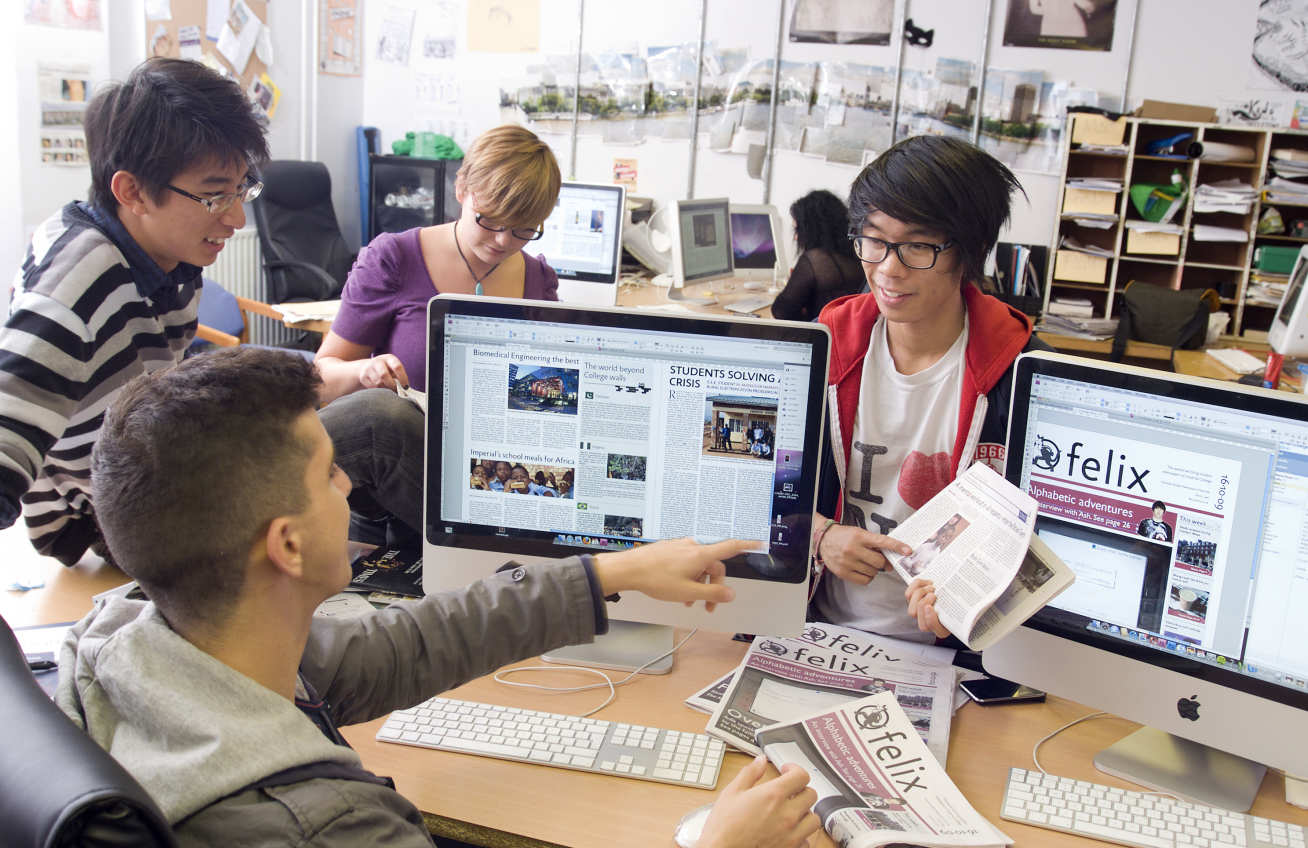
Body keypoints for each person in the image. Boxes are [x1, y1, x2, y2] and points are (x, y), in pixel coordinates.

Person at [60, 347, 819, 847]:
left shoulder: (140, 643)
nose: (351, 485)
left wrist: (611, 574)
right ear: (286, 546)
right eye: (329, 473)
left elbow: (402, 645)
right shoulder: (330, 829)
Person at [0, 57, 267, 565]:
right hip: (115, 512)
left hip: (149, 471)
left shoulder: (168, 259)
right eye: (214, 196)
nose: (235, 216)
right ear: (132, 191)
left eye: (242, 189)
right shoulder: (76, 283)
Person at [809, 135, 1050, 643]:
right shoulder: (827, 347)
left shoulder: (1022, 376)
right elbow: (758, 480)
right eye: (873, 240)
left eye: (918, 245)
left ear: (967, 252)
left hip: (959, 655)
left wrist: (975, 607)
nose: (889, 268)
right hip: (821, 628)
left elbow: (1047, 545)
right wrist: (820, 536)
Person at [317, 125, 563, 543]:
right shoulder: (394, 258)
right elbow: (320, 378)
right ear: (461, 188)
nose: (503, 241)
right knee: (382, 418)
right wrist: (363, 371)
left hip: (493, 473)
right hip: (404, 484)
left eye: (524, 229)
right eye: (489, 221)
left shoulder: (539, 280)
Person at [770, 190, 865, 322]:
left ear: (812, 228)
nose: (796, 237)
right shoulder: (858, 253)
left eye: (798, 229)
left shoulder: (815, 260)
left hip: (825, 334)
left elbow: (781, 310)